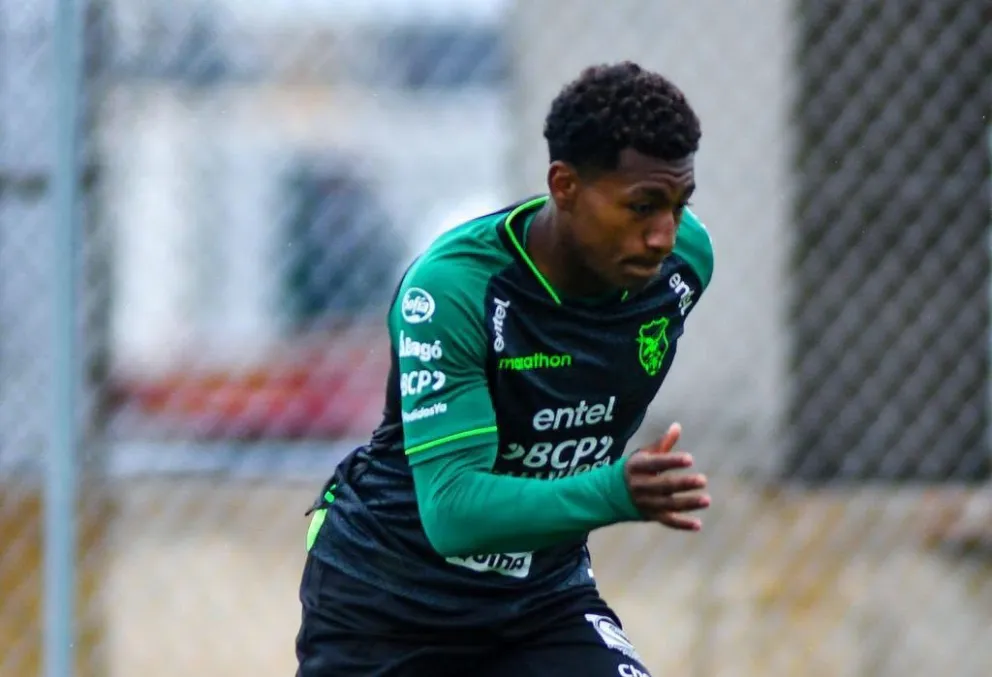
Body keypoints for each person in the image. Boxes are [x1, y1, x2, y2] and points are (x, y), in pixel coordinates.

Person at [295, 61, 715, 677]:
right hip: (388, 603)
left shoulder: (684, 264)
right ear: (564, 186)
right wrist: (614, 491)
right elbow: (455, 511)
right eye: (642, 206)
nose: (662, 235)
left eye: (679, 205)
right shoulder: (454, 289)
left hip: (541, 601)